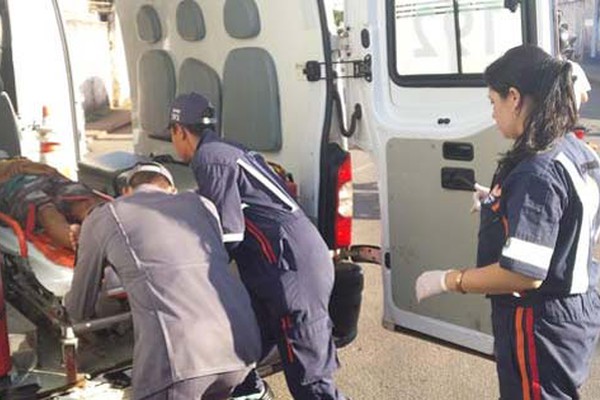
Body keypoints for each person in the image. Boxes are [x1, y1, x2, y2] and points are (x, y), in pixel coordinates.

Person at [415, 44, 600, 399]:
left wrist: (450, 280)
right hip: (575, 310)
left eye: (493, 102)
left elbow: (524, 274)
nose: (493, 113)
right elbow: (565, 220)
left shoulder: (537, 170)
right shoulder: (572, 149)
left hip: (540, 321)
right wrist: (500, 203)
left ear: (513, 97)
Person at [169, 92, 345, 400]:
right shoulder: (225, 149)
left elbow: (229, 234)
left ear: (179, 130)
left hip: (290, 267)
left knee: (311, 382)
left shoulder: (209, 158)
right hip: (288, 257)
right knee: (242, 350)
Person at [64, 162, 262, 400]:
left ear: (126, 191)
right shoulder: (202, 204)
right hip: (241, 347)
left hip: (179, 360)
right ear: (172, 189)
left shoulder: (107, 214)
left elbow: (79, 307)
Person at [0, 157, 103, 249]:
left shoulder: (17, 158)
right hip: (14, 187)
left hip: (45, 177)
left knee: (82, 198)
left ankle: (107, 224)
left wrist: (57, 175)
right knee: (44, 209)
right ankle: (74, 238)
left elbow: (48, 170)